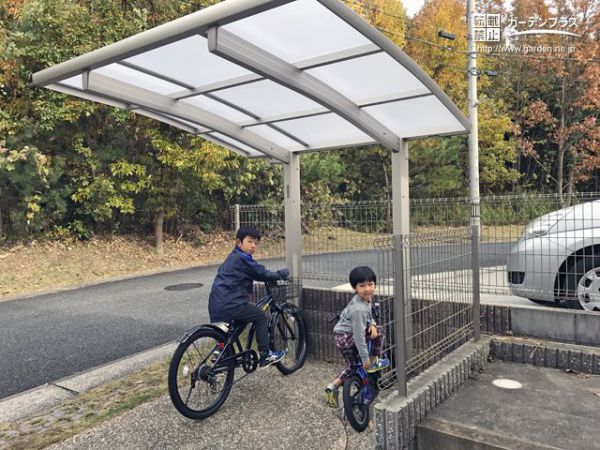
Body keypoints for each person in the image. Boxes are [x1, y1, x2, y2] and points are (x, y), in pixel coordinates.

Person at [208, 226, 289, 367]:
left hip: (216, 304)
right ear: (239, 243)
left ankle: (220, 351)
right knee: (259, 315)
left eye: (256, 243)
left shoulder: (232, 257)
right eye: (250, 241)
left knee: (238, 323)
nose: (253, 246)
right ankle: (265, 355)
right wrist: (279, 274)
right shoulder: (242, 258)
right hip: (231, 304)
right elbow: (261, 273)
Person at [325, 266, 390, 408]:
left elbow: (369, 316)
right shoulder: (358, 309)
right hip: (348, 338)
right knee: (380, 332)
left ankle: (333, 386)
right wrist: (366, 359)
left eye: (370, 284)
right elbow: (359, 336)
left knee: (353, 366)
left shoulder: (365, 298)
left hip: (341, 337)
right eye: (362, 286)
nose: (367, 289)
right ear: (355, 288)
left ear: (375, 285)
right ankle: (374, 360)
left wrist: (371, 324)